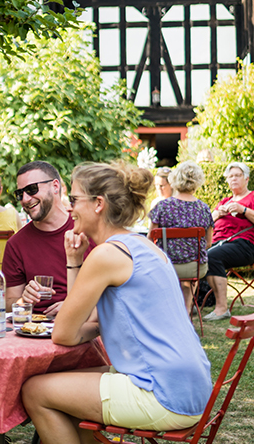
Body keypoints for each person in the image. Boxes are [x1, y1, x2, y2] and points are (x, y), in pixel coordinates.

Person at [21, 162, 212, 443]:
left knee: (34, 391)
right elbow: (84, 326)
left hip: (161, 392)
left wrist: (73, 263)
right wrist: (77, 267)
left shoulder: (106, 256)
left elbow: (64, 333)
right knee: (68, 388)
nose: (69, 207)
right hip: (190, 384)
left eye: (74, 199)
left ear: (98, 204)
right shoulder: (142, 244)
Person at [4, 161, 94, 317]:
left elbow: (112, 291)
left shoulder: (89, 230)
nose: (25, 199)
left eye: (31, 189)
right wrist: (23, 300)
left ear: (55, 186)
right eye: (20, 194)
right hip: (33, 329)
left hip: (83, 323)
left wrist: (73, 305)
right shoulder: (16, 244)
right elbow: (8, 304)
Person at [203, 162, 254, 321]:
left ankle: (221, 309)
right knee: (196, 256)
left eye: (237, 175)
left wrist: (243, 210)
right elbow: (206, 223)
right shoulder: (224, 201)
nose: (233, 179)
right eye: (230, 176)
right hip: (218, 244)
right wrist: (217, 214)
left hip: (244, 245)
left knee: (211, 256)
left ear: (246, 179)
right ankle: (193, 303)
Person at [148, 162, 213, 314]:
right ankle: (186, 307)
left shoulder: (162, 206)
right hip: (195, 268)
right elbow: (208, 243)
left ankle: (167, 309)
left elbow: (150, 239)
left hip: (166, 266)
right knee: (189, 281)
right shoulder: (203, 208)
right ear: (198, 181)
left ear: (174, 179)